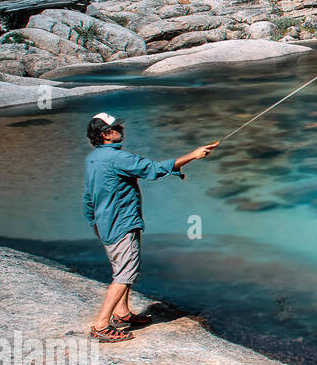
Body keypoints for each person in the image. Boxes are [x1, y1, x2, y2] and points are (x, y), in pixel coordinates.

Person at [81, 112, 218, 342]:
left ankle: (122, 314)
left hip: (105, 224)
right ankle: (102, 325)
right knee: (125, 274)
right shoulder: (118, 159)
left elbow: (88, 198)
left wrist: (95, 224)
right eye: (116, 128)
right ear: (106, 134)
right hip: (122, 224)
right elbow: (153, 169)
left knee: (120, 269)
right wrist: (192, 156)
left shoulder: (93, 159)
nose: (121, 130)